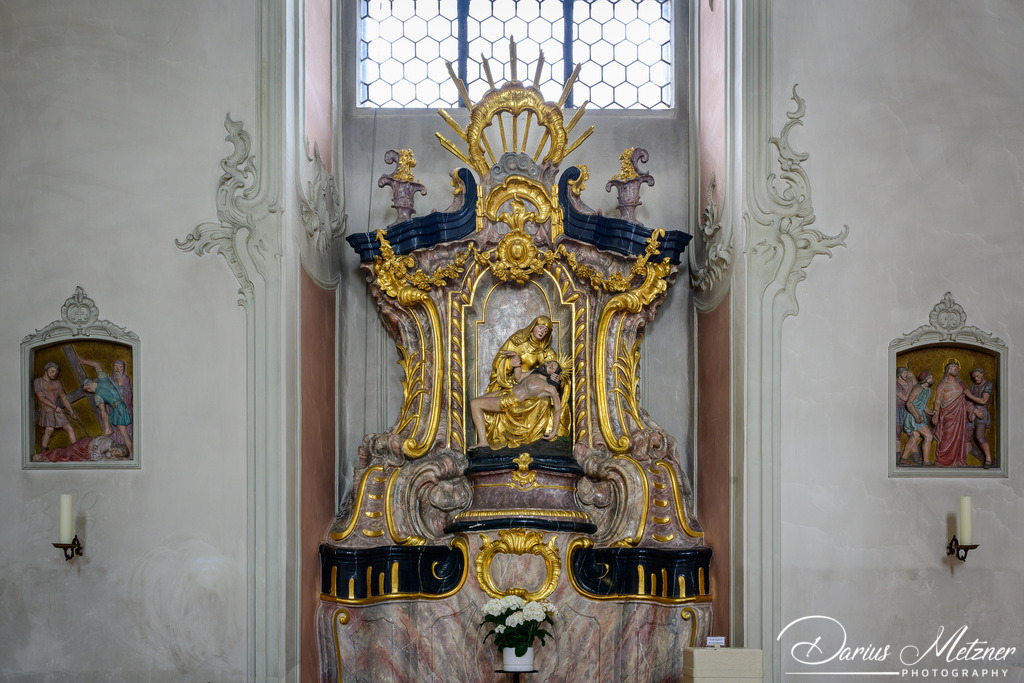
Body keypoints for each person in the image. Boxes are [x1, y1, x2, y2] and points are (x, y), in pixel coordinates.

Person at [479, 315, 569, 447]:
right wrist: (511, 363)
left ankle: (533, 436)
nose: (542, 332)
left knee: (544, 402)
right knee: (479, 402)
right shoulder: (517, 341)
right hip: (511, 385)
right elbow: (504, 364)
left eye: (546, 331)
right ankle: (485, 440)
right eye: (540, 328)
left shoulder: (547, 353)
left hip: (529, 392)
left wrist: (558, 379)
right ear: (533, 327)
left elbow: (555, 371)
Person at [471, 358, 563, 449]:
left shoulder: (550, 388)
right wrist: (516, 363)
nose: (546, 365)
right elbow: (518, 378)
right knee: (478, 400)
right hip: (506, 392)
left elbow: (558, 409)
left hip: (510, 400)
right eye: (548, 363)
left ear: (554, 375)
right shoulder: (534, 373)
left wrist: (554, 431)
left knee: (475, 404)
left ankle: (483, 441)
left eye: (551, 367)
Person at [78, 354, 133, 457]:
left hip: (119, 408)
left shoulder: (102, 380)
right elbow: (103, 411)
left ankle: (131, 454)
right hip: (117, 409)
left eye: (88, 389)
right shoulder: (101, 386)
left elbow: (97, 364)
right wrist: (107, 427)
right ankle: (109, 431)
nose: (90, 391)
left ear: (90, 384)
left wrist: (83, 361)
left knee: (123, 432)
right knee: (112, 425)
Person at [33, 362, 79, 451]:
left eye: (56, 373)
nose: (54, 374)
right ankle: (44, 453)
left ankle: (76, 450)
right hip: (47, 409)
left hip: (57, 409)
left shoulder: (57, 383)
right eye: (52, 371)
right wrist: (55, 407)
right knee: (49, 430)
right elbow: (41, 398)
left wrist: (71, 411)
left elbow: (63, 397)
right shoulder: (38, 381)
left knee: (70, 428)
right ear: (46, 370)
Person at [932, 360, 969, 467]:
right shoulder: (942, 384)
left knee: (958, 438)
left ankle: (957, 460)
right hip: (947, 414)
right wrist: (935, 415)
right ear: (947, 369)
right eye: (953, 367)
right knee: (946, 436)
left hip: (959, 415)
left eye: (957, 367)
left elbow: (966, 400)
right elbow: (937, 400)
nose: (955, 369)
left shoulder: (961, 384)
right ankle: (941, 460)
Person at [900, 370, 934, 466]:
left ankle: (903, 458)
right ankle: (926, 461)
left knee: (915, 437)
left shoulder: (928, 390)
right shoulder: (918, 388)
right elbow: (909, 403)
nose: (932, 378)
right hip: (913, 416)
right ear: (925, 379)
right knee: (928, 436)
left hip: (919, 415)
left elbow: (923, 406)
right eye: (930, 377)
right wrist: (917, 416)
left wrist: (931, 412)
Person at [965, 367, 994, 469]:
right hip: (972, 413)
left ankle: (988, 459)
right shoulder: (973, 385)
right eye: (974, 377)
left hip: (982, 413)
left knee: (979, 436)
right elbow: (968, 401)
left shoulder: (988, 384)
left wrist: (969, 395)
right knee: (966, 436)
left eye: (977, 376)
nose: (976, 379)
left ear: (982, 374)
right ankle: (963, 460)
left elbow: (983, 401)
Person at [32, 436, 130, 463]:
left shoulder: (112, 447)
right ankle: (42, 456)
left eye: (118, 455)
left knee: (70, 459)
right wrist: (108, 459)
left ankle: (46, 456)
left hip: (87, 452)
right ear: (117, 449)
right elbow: (95, 458)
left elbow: (108, 455)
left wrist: (112, 458)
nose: (115, 454)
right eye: (117, 453)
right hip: (82, 446)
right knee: (64, 454)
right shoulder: (106, 444)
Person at [107, 359, 133, 448]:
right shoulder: (109, 379)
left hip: (123, 409)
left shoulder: (125, 379)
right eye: (116, 366)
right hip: (112, 409)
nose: (117, 369)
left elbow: (129, 395)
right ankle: (116, 450)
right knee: (115, 431)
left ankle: (127, 450)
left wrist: (121, 385)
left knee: (124, 431)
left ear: (123, 369)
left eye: (120, 367)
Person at [895, 366, 913, 448]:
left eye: (907, 372)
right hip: (898, 410)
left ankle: (914, 455)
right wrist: (910, 386)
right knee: (897, 431)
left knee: (911, 432)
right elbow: (905, 398)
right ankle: (897, 455)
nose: (906, 374)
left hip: (907, 410)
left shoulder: (907, 384)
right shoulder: (895, 385)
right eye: (904, 373)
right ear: (899, 374)